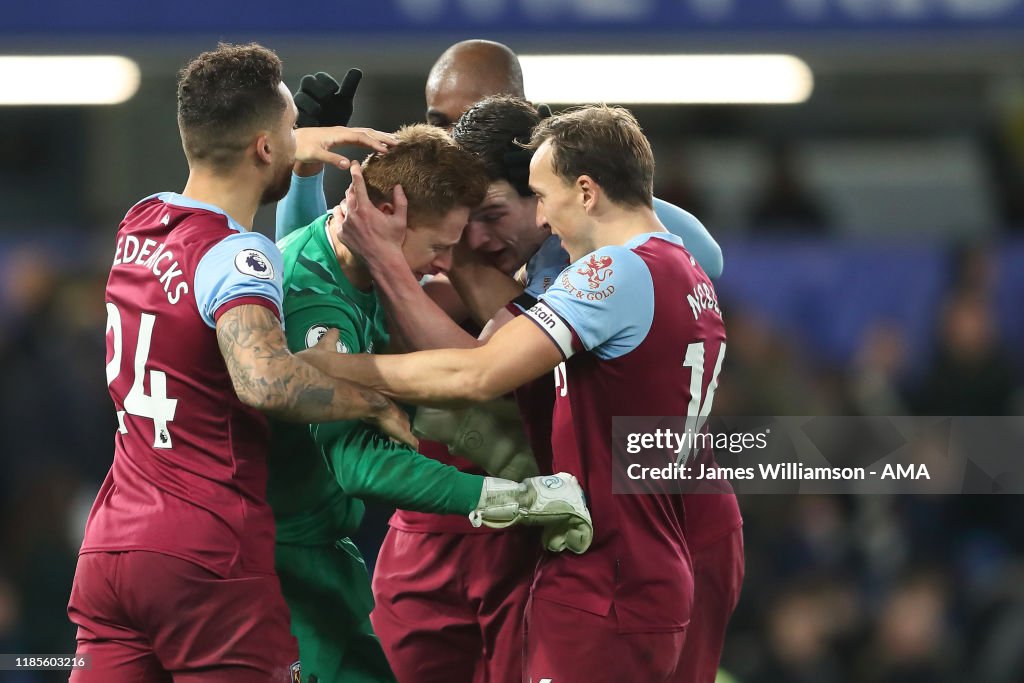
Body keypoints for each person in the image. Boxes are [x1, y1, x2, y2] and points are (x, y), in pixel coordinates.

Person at [302, 104, 727, 683]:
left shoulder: (614, 274)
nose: (545, 221)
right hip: (649, 561)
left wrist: (342, 368)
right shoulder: (685, 269)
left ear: (585, 191)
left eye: (542, 195)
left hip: (605, 574)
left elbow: (476, 374)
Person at [67, 43, 418, 682]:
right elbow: (265, 380)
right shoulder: (239, 255)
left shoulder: (140, 223)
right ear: (263, 148)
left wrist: (289, 150)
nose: (298, 141)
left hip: (112, 547)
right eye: (289, 132)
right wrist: (372, 400)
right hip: (205, 557)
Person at [269, 124, 593, 683]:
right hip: (276, 572)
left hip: (323, 558)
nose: (446, 263)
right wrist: (514, 498)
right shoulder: (314, 301)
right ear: (385, 216)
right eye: (439, 245)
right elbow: (358, 461)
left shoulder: (353, 272)